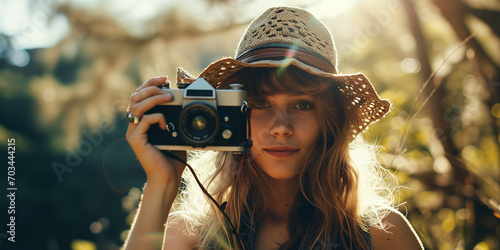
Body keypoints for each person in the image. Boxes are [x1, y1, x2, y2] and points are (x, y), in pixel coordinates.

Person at [123, 6, 423, 250]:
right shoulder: (187, 237)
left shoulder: (383, 234)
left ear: (330, 121)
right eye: (259, 104)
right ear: (231, 116)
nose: (280, 127)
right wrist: (161, 184)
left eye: (303, 104)